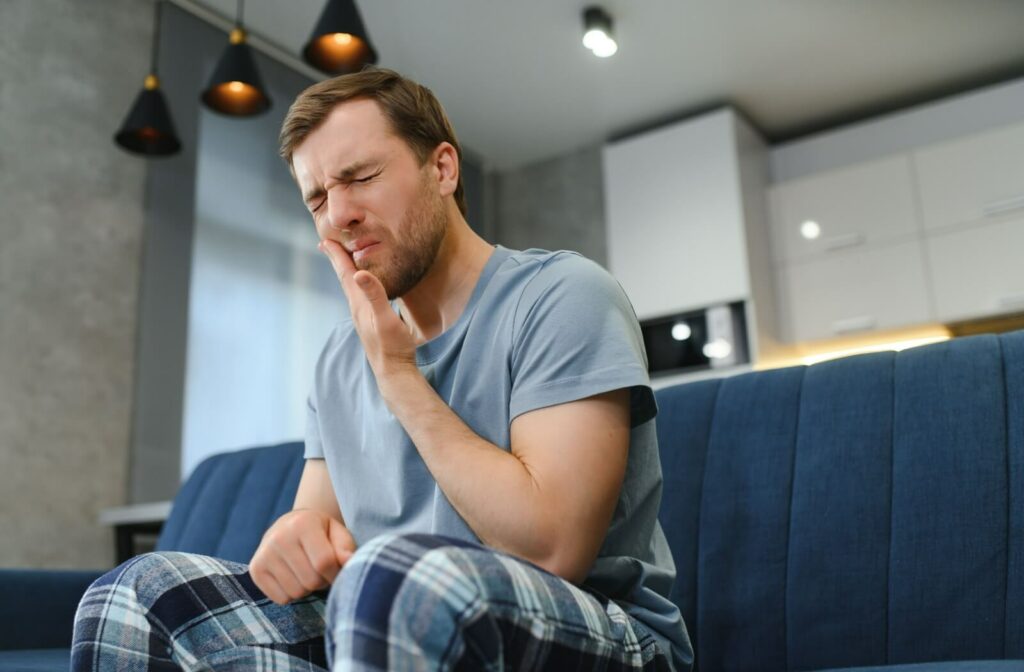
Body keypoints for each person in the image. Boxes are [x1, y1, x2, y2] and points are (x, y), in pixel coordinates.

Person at [72, 68, 693, 671]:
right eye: (317, 198)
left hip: (605, 632)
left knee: (394, 575)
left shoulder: (563, 295)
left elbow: (552, 548)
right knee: (135, 598)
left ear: (442, 168)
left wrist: (399, 374)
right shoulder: (341, 355)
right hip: (388, 624)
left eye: (361, 177)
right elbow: (321, 529)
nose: (338, 214)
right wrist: (295, 537)